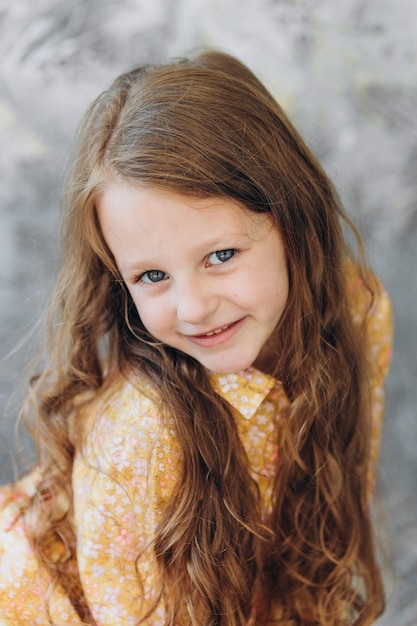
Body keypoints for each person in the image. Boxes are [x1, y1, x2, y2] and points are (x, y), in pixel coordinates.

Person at [0, 50, 392, 626]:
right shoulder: (141, 433)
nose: (193, 307)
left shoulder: (358, 307)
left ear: (292, 221)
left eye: (221, 255)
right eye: (152, 276)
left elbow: (344, 491)